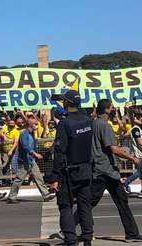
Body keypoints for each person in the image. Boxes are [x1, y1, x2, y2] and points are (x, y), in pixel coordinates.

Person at [74, 99, 142, 242]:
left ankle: (132, 234)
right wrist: (133, 158)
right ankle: (68, 227)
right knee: (90, 202)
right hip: (105, 170)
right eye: (112, 108)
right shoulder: (104, 125)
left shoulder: (93, 123)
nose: (113, 110)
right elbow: (113, 148)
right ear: (106, 110)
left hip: (102, 170)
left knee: (120, 201)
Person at [49, 90, 94, 246]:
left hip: (69, 172)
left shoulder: (65, 123)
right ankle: (87, 239)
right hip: (86, 169)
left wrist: (55, 177)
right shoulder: (87, 120)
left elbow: (60, 152)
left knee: (65, 206)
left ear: (66, 103)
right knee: (85, 206)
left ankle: (71, 240)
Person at [7, 116, 55, 203]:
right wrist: (35, 154)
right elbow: (26, 147)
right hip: (24, 161)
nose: (37, 126)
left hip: (31, 160)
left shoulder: (32, 133)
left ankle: (46, 195)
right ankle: (11, 197)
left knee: (38, 177)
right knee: (19, 179)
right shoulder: (24, 134)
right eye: (35, 124)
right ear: (30, 125)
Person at [124, 110, 142, 193]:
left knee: (139, 173)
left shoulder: (137, 128)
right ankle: (125, 184)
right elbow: (139, 142)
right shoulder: (135, 129)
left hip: (139, 154)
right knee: (139, 173)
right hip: (139, 155)